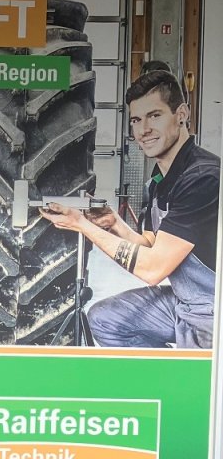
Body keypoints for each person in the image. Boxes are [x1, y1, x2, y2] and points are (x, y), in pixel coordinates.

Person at [44, 67, 219, 348]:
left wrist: (82, 225)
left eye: (155, 116)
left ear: (182, 114)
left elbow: (153, 270)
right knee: (106, 319)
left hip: (214, 307)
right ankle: (161, 374)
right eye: (136, 120)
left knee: (198, 371)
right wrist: (115, 224)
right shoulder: (160, 179)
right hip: (186, 303)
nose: (143, 130)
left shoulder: (203, 178)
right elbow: (151, 245)